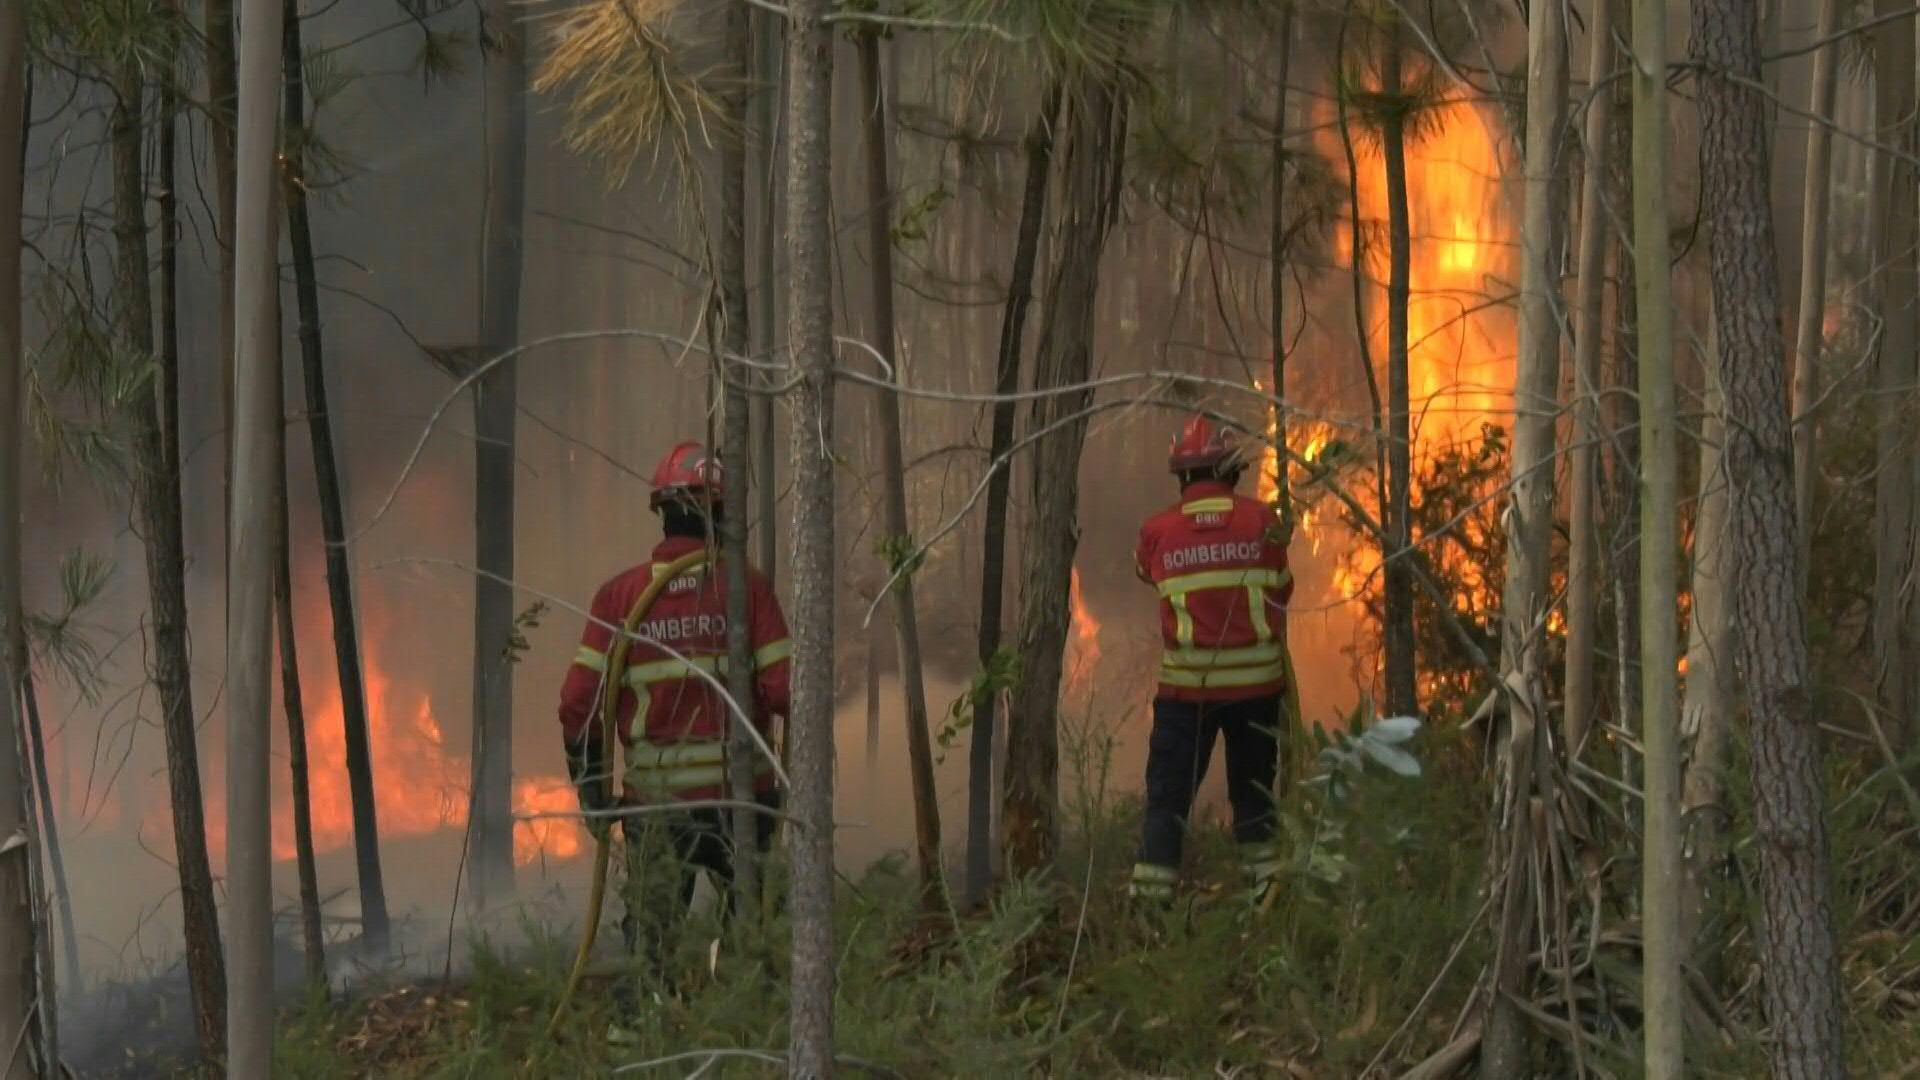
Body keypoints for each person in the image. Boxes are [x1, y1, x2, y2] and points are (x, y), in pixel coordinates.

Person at [555, 441, 790, 983]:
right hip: (743, 804)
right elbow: (783, 692)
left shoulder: (620, 597)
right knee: (752, 938)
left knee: (650, 946)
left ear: (662, 511)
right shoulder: (747, 587)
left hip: (657, 811)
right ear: (722, 514)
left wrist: (592, 790)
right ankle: (749, 1034)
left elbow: (577, 703)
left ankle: (638, 1038)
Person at [1129, 415, 1294, 907]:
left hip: (1187, 696)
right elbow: (1283, 590)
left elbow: (1147, 575)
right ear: (1232, 471)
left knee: (1168, 801)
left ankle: (1149, 913)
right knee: (1254, 798)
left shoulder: (1156, 531)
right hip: (1258, 694)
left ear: (1182, 476)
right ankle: (1266, 899)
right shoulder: (1264, 522)